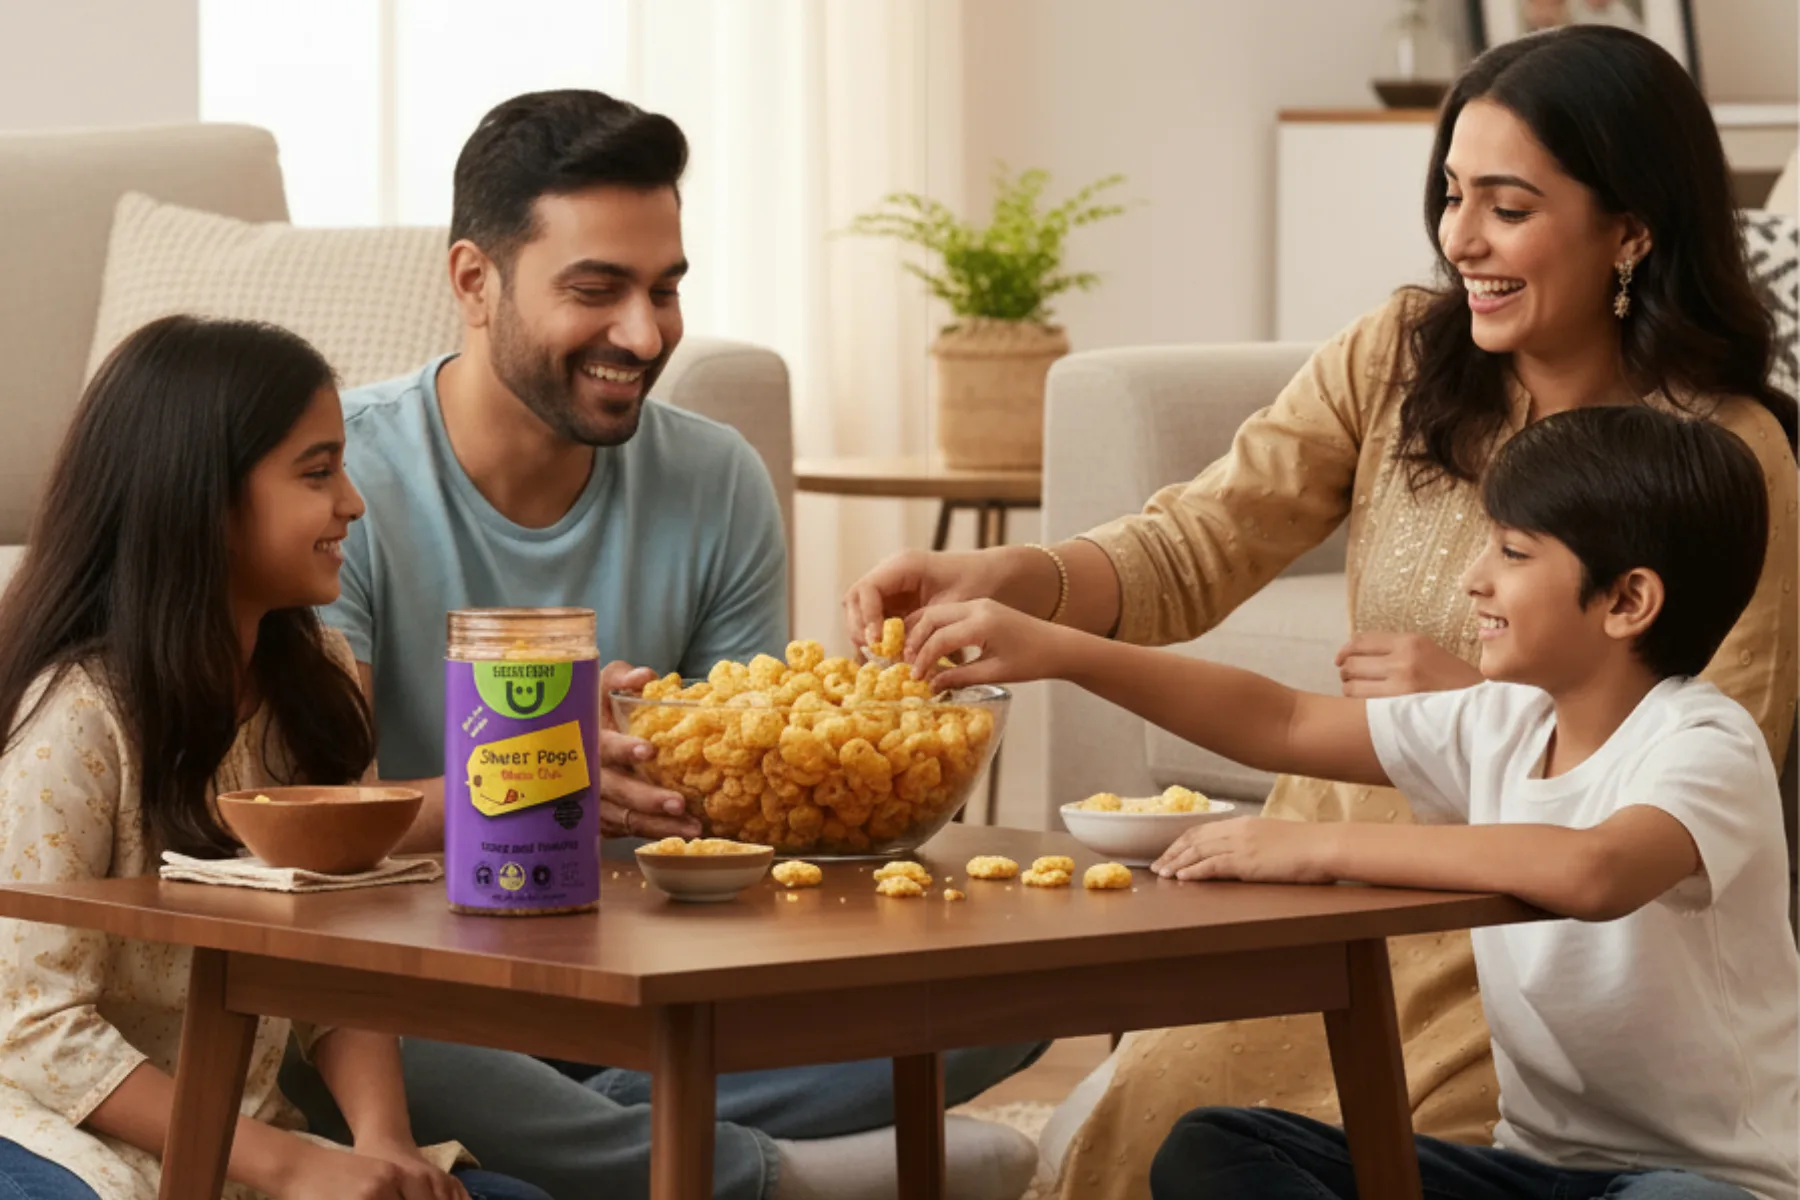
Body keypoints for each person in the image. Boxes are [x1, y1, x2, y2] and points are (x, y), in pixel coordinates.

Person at [844, 25, 1798, 1199]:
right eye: (1452, 195)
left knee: (1413, 1149)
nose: (1461, 239)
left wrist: (1487, 697)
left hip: (1511, 921)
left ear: (1631, 230)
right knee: (1163, 1132)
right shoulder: (1400, 353)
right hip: (1307, 887)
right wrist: (1026, 592)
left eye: (1508, 205)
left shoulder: (1722, 459)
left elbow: (1695, 731)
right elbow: (1203, 547)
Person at [289, 89, 1039, 1199]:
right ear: (473, 281)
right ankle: (770, 1177)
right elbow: (309, 843)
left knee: (1000, 1002)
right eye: (597, 290)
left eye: (666, 289)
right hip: (422, 987)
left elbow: (740, 827)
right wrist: (548, 771)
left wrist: (777, 750)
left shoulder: (716, 478)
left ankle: (591, 1141)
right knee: (363, 1034)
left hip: (648, 976)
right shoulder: (340, 485)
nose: (645, 336)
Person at [904, 404, 1799, 1200]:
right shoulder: (1501, 721)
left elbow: (1593, 868)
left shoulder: (1703, 744)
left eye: (1513, 554)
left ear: (1629, 600)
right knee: (1214, 1148)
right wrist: (1058, 648)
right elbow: (1283, 722)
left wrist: (1316, 846)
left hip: (1703, 1182)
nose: (1473, 580)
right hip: (1528, 1171)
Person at [0, 316, 547, 1200]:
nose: (353, 503)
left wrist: (384, 1144)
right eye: (317, 472)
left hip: (235, 1138)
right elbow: (31, 1027)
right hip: (48, 1132)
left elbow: (338, 955)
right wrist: (291, 1165)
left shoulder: (317, 687)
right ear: (205, 501)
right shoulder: (79, 717)